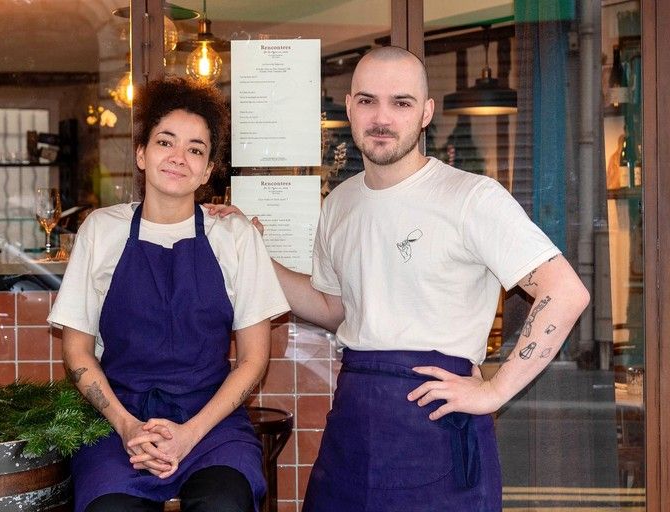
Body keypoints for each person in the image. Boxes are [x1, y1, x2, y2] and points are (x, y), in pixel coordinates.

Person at [208, 46, 589, 511]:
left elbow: (565, 290)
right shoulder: (340, 204)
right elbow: (333, 309)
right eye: (367, 101)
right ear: (349, 106)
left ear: (426, 112)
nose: (381, 117)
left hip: (437, 417)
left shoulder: (471, 197)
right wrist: (251, 250)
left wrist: (494, 390)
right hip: (354, 413)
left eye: (401, 102)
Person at [48, 77, 289, 512]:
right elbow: (77, 351)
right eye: (165, 142)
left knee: (225, 502)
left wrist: (190, 433)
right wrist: (126, 427)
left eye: (196, 149)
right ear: (141, 153)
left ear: (210, 167)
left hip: (211, 425)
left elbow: (254, 359)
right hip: (117, 421)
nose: (179, 157)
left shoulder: (235, 236)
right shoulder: (101, 230)